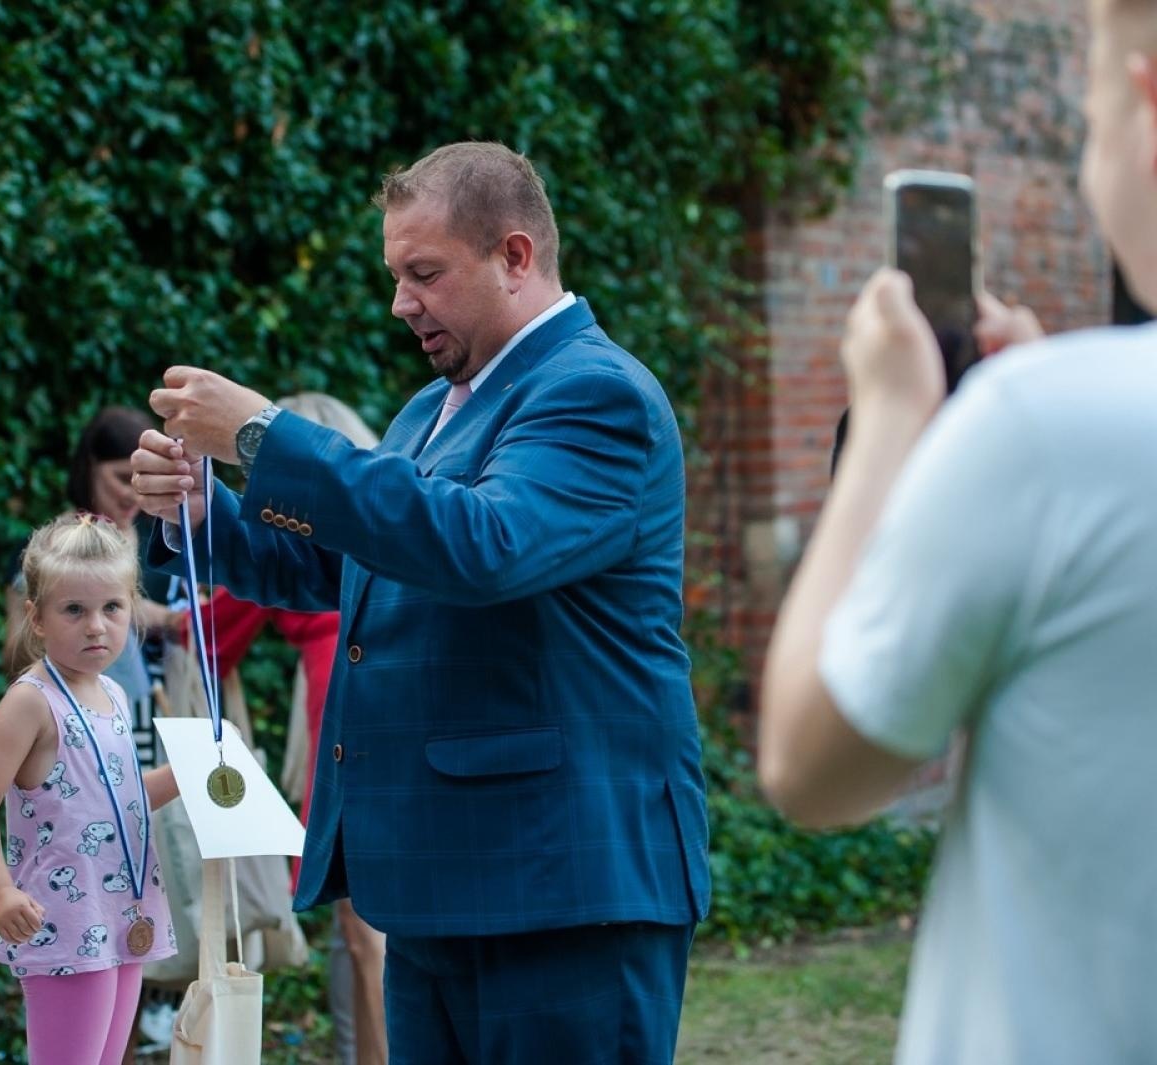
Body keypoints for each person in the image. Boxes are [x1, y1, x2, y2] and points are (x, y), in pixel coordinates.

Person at [131, 141, 709, 1065]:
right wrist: (207, 509)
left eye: (425, 273)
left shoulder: (596, 394)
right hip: (442, 881)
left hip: (564, 886)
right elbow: (345, 572)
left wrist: (260, 433)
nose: (402, 302)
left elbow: (482, 545)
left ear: (515, 257)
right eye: (398, 274)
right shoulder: (424, 412)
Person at [759, 2, 1157, 1060]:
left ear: (1144, 107)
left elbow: (811, 766)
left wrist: (895, 423)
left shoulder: (1040, 427)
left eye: (1086, 109)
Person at [188, 391, 389, 1065]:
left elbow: (214, 633)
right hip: (376, 689)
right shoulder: (383, 512)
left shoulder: (297, 529)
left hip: (338, 698)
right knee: (369, 925)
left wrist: (155, 623)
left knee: (364, 931)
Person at [0, 513, 181, 1065]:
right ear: (36, 618)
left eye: (112, 608)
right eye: (74, 610)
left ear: (132, 609)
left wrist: (184, 776)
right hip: (63, 920)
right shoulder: (30, 701)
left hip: (124, 914)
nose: (96, 626)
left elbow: (115, 800)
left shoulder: (113, 695)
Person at [3, 407, 184, 769]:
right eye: (121, 477)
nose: (133, 494)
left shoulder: (167, 548)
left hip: (160, 726)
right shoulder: (46, 551)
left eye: (142, 480)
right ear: (89, 467)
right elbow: (14, 656)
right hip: (69, 721)